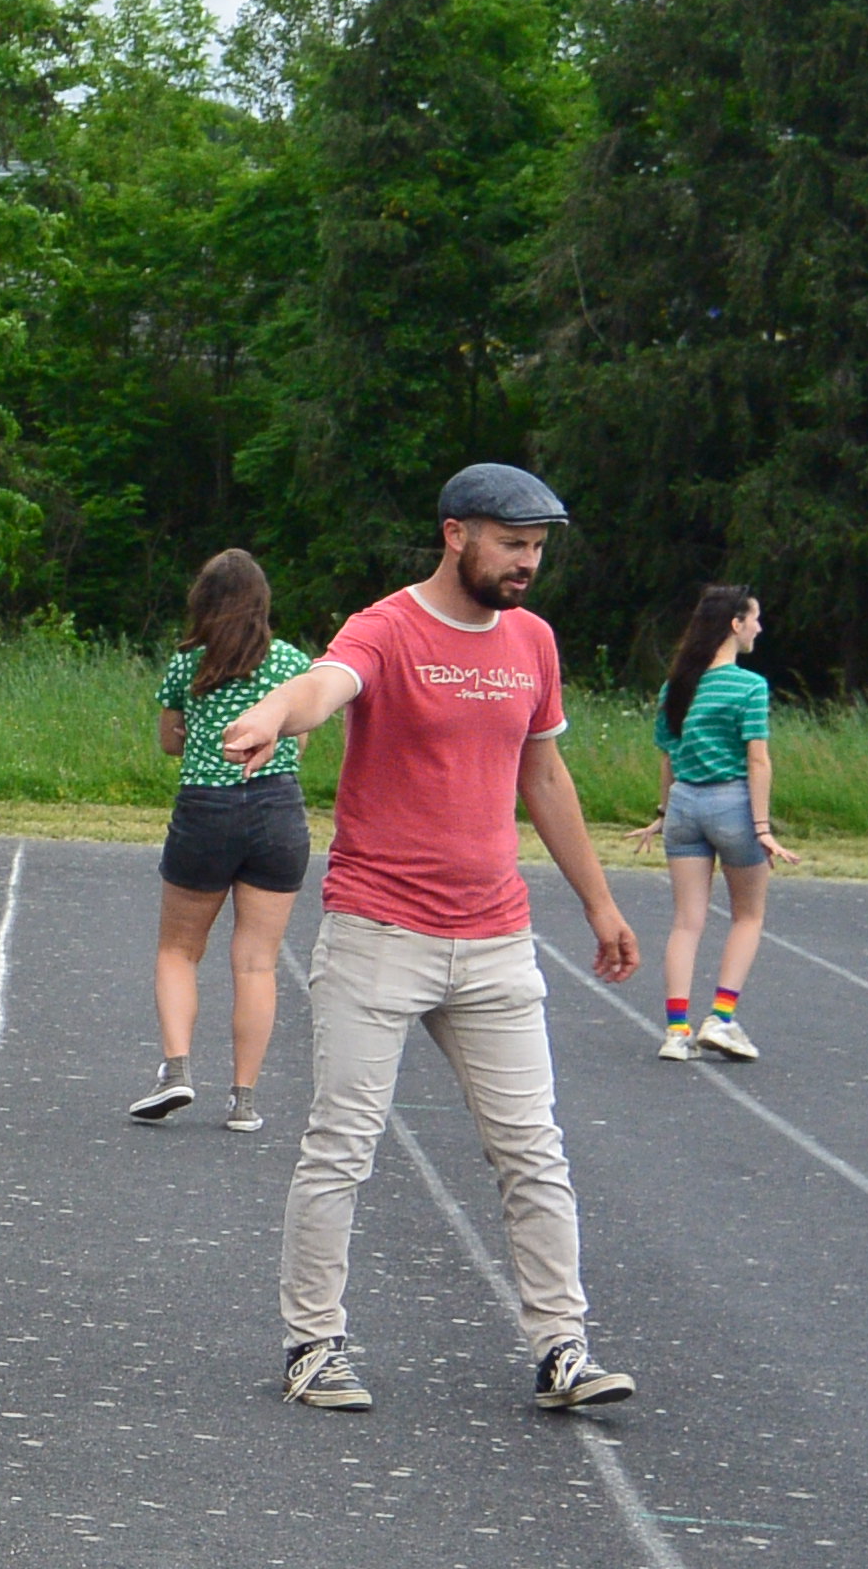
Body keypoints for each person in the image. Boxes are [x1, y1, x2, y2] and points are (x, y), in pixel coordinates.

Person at [215, 462, 643, 1418]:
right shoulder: (387, 626)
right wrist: (273, 713)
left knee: (533, 1151)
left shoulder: (533, 641)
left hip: (497, 941)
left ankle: (562, 1347)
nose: (528, 563)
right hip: (379, 934)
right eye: (512, 544)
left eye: (538, 548)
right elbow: (325, 686)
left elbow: (546, 778)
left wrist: (600, 905)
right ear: (456, 534)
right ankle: (313, 1344)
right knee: (342, 1147)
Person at [132, 549, 315, 1131]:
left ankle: (177, 1070)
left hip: (206, 810)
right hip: (277, 811)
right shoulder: (291, 662)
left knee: (179, 949)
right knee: (257, 963)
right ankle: (244, 1100)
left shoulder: (189, 665)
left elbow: (170, 741)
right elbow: (298, 740)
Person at [648, 584, 788, 1063]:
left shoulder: (675, 687)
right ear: (735, 624)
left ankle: (676, 1032)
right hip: (732, 805)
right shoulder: (749, 686)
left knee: (686, 922)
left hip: (684, 806)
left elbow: (669, 757)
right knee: (748, 916)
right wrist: (762, 826)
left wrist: (662, 813)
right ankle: (721, 1019)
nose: (759, 628)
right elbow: (758, 760)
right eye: (755, 619)